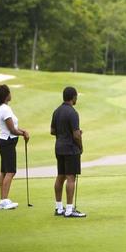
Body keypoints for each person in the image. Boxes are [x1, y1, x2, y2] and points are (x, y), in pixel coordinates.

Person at [0, 84, 30, 210]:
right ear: (5, 95)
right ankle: (4, 200)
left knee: (4, 171)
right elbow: (12, 130)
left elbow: (13, 128)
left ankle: (3, 200)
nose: (10, 94)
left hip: (4, 141)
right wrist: (23, 134)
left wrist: (22, 131)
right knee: (11, 171)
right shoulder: (5, 109)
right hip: (7, 142)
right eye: (9, 92)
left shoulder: (3, 108)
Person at [51, 86, 86, 217]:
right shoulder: (73, 113)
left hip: (59, 148)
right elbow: (76, 135)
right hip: (71, 149)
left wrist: (63, 133)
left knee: (61, 176)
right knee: (71, 177)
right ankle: (70, 210)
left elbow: (52, 131)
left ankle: (59, 208)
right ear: (73, 97)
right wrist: (81, 146)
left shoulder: (57, 111)